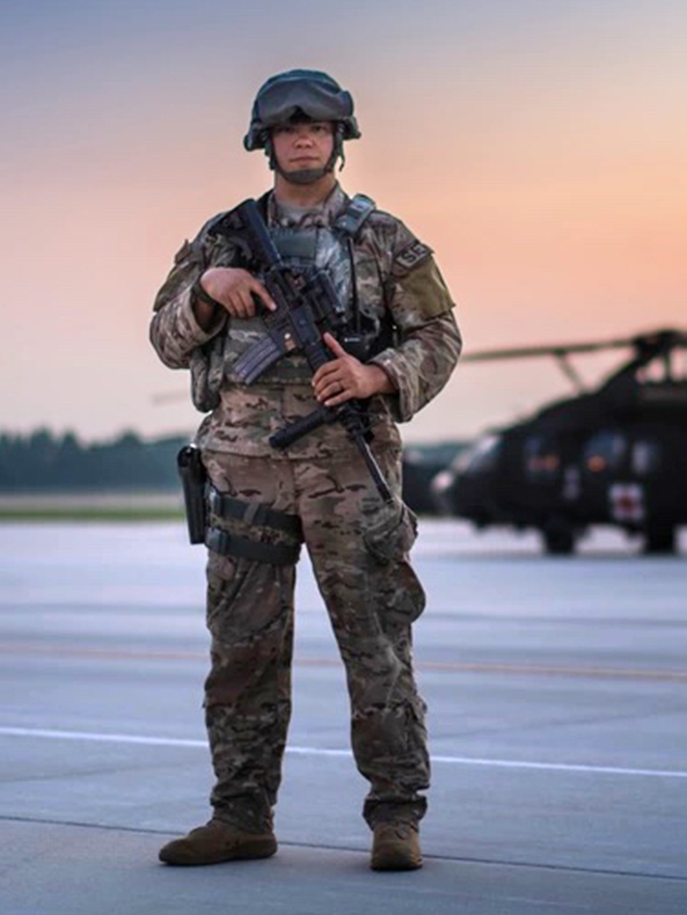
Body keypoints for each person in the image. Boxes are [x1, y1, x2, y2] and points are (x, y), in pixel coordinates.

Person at [149, 69, 462, 871]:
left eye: (316, 129)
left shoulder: (384, 238)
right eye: (288, 129)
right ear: (265, 141)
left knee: (376, 645)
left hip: (347, 470)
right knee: (243, 650)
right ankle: (241, 814)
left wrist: (376, 376)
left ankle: (396, 816)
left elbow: (441, 335)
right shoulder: (223, 239)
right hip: (247, 471)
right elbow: (164, 336)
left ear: (337, 139)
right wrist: (209, 293)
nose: (302, 139)